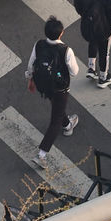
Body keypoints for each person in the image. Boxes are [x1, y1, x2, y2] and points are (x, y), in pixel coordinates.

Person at [26, 16, 79, 169]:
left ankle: (67, 124)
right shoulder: (66, 50)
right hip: (60, 87)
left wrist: (30, 79)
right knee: (55, 120)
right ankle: (41, 154)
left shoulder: (39, 44)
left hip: (43, 85)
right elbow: (74, 72)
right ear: (61, 33)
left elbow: (31, 65)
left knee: (57, 108)